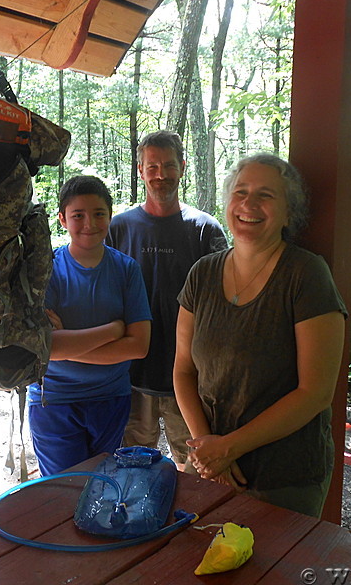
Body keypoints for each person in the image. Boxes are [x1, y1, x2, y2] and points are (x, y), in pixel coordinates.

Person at [173, 153, 347, 518]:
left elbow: (315, 393)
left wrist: (228, 449)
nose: (249, 204)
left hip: (283, 476)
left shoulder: (306, 276)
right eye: (241, 191)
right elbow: (183, 371)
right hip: (207, 465)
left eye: (266, 195)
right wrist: (209, 452)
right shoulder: (201, 274)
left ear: (288, 212)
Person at [107, 130, 228, 470]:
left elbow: (226, 302)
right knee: (130, 465)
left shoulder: (205, 229)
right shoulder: (119, 228)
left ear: (183, 167)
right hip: (131, 375)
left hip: (191, 377)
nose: (161, 174)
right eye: (153, 166)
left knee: (195, 470)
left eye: (169, 165)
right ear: (140, 170)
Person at [27, 175, 152, 476]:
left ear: (110, 216)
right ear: (62, 220)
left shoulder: (126, 269)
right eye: (78, 215)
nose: (89, 224)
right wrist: (112, 331)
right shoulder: (48, 270)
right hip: (53, 400)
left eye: (99, 214)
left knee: (101, 487)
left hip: (110, 399)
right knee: (62, 491)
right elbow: (46, 348)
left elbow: (139, 346)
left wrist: (66, 343)